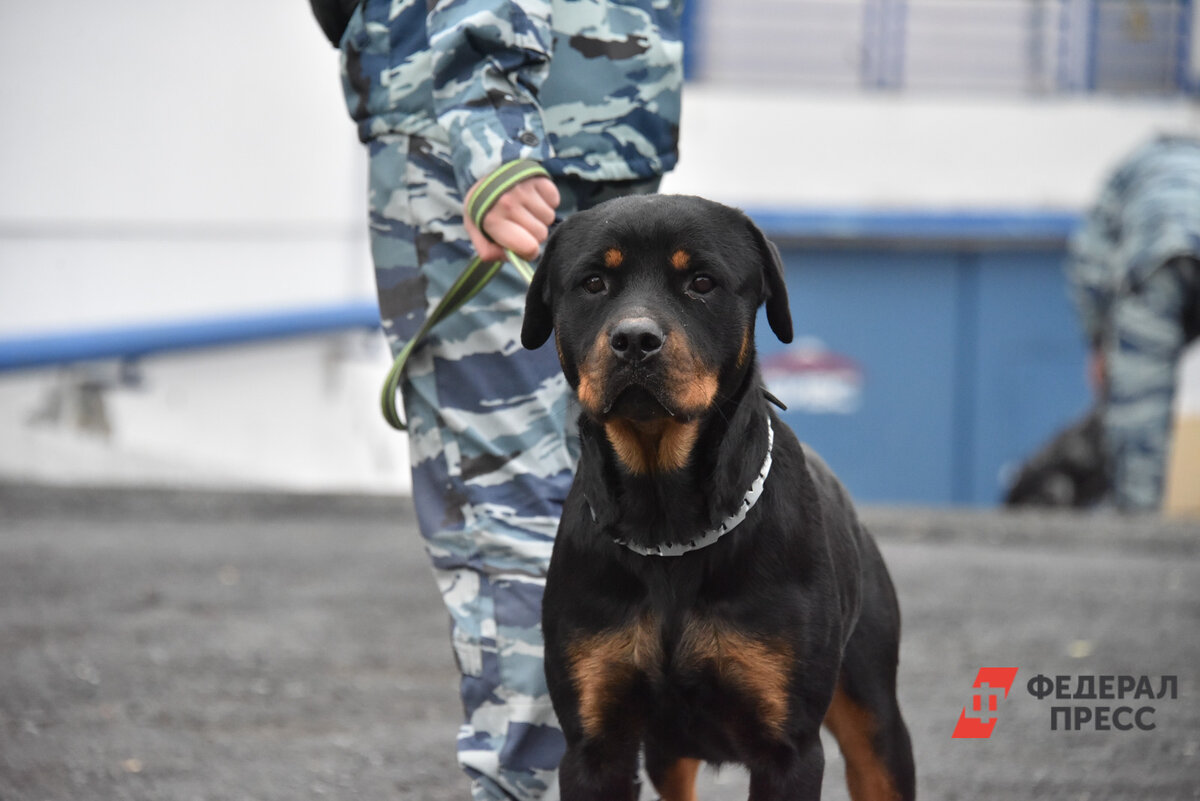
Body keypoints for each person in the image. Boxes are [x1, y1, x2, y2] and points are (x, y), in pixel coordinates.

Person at [310, 1, 685, 798]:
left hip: (481, 140)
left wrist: (493, 137)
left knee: (515, 517)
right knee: (605, 506)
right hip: (611, 114)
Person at [1067, 134, 1200, 512]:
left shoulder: (1130, 173)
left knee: (1141, 409)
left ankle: (1136, 527)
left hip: (1158, 256)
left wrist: (1099, 342)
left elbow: (1089, 262)